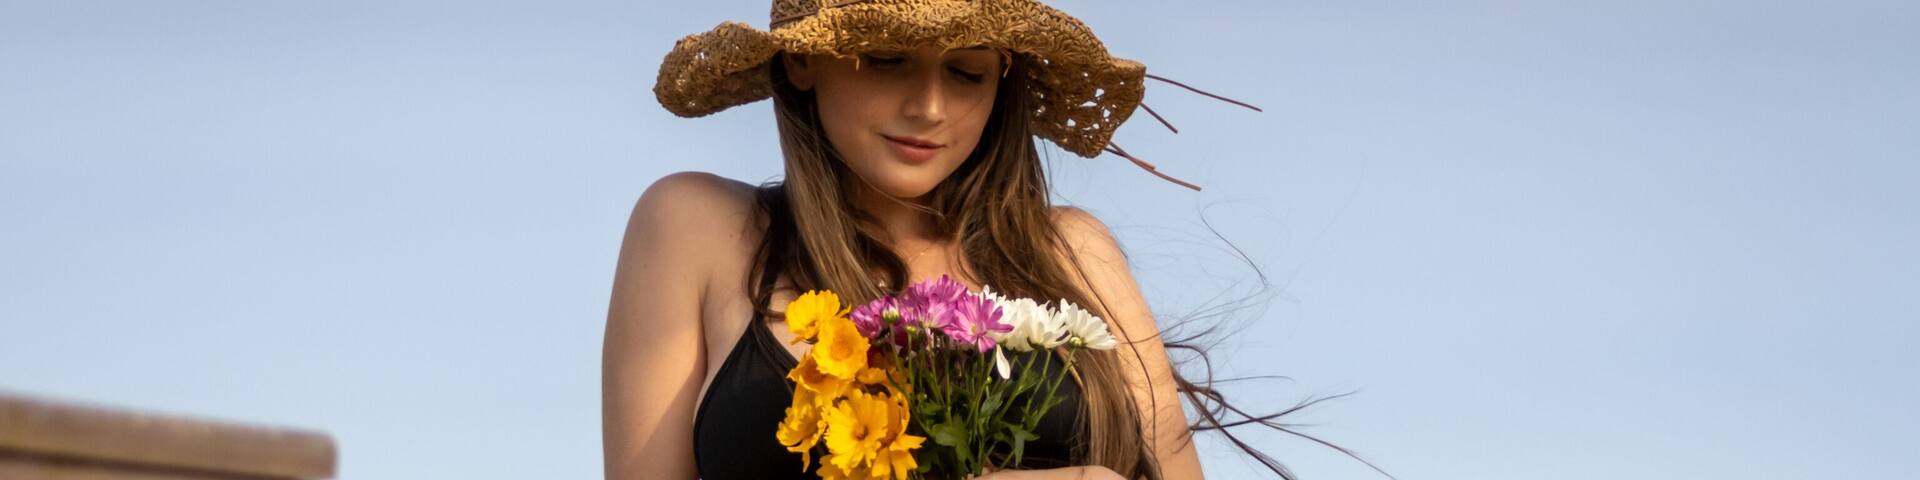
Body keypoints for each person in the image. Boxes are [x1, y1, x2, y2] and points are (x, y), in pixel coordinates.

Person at [605, 1, 1355, 479]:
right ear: (803, 61)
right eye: (888, 58)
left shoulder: (1072, 252)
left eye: (967, 73)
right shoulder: (698, 227)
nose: (929, 106)